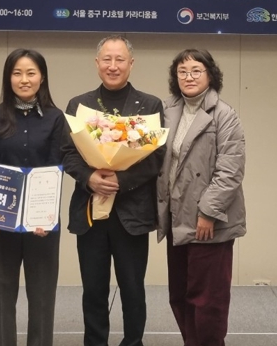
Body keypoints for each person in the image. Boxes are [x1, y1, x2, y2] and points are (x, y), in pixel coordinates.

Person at [62, 35, 165, 346]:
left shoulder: (149, 105)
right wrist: (89, 177)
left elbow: (156, 157)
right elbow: (67, 153)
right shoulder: (79, 105)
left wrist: (123, 180)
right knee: (93, 288)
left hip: (132, 214)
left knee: (132, 287)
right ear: (97, 63)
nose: (113, 65)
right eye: (107, 59)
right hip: (90, 212)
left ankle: (133, 341)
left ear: (131, 64)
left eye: (120, 59)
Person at [156, 49, 246, 346]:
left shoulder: (224, 114)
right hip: (176, 218)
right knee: (180, 295)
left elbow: (230, 170)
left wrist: (207, 212)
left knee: (208, 300)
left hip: (209, 223)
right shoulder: (166, 111)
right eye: (182, 71)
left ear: (210, 75)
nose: (189, 77)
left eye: (196, 70)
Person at [0, 49, 65, 346]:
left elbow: (54, 168)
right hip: (0, 222)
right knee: (1, 295)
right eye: (17, 73)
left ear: (42, 77)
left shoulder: (55, 118)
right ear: (8, 78)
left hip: (42, 222)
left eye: (31, 73)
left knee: (42, 296)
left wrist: (44, 217)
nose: (24, 79)